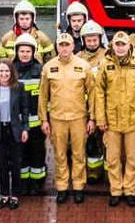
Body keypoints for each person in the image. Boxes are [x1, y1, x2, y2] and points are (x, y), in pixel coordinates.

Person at [94, 32, 135, 207]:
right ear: (112, 46)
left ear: (129, 46)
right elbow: (99, 93)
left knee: (132, 159)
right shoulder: (105, 64)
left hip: (133, 121)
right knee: (112, 159)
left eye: (123, 44)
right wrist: (100, 118)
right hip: (111, 121)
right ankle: (116, 191)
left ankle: (130, 190)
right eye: (117, 45)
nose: (120, 48)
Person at [40, 33, 95, 203]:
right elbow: (43, 96)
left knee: (79, 154)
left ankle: (78, 186)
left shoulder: (83, 66)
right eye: (61, 45)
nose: (64, 48)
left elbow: (92, 94)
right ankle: (62, 187)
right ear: (57, 47)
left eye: (67, 45)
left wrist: (92, 118)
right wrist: (44, 119)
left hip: (79, 117)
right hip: (57, 118)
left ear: (73, 46)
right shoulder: (48, 67)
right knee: (60, 154)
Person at [0, 59, 37, 208]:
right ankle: (4, 195)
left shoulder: (19, 87)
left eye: (7, 71)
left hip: (15, 130)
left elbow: (25, 109)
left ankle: (14, 195)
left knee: (16, 164)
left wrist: (25, 128)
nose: (4, 74)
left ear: (12, 72)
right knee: (2, 165)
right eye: (1, 71)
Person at [8, 34, 48, 194]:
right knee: (20, 154)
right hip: (18, 123)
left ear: (33, 52)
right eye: (22, 51)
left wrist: (46, 119)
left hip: (37, 122)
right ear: (16, 52)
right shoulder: (11, 70)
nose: (25, 54)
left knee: (37, 153)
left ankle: (37, 182)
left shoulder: (40, 70)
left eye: (28, 51)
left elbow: (46, 96)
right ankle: (23, 182)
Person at [76, 21, 111, 183]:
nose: (91, 43)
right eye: (88, 40)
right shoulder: (77, 58)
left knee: (109, 140)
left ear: (100, 39)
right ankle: (94, 171)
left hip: (106, 105)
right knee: (91, 139)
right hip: (85, 107)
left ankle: (109, 172)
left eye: (94, 40)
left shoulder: (108, 56)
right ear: (83, 40)